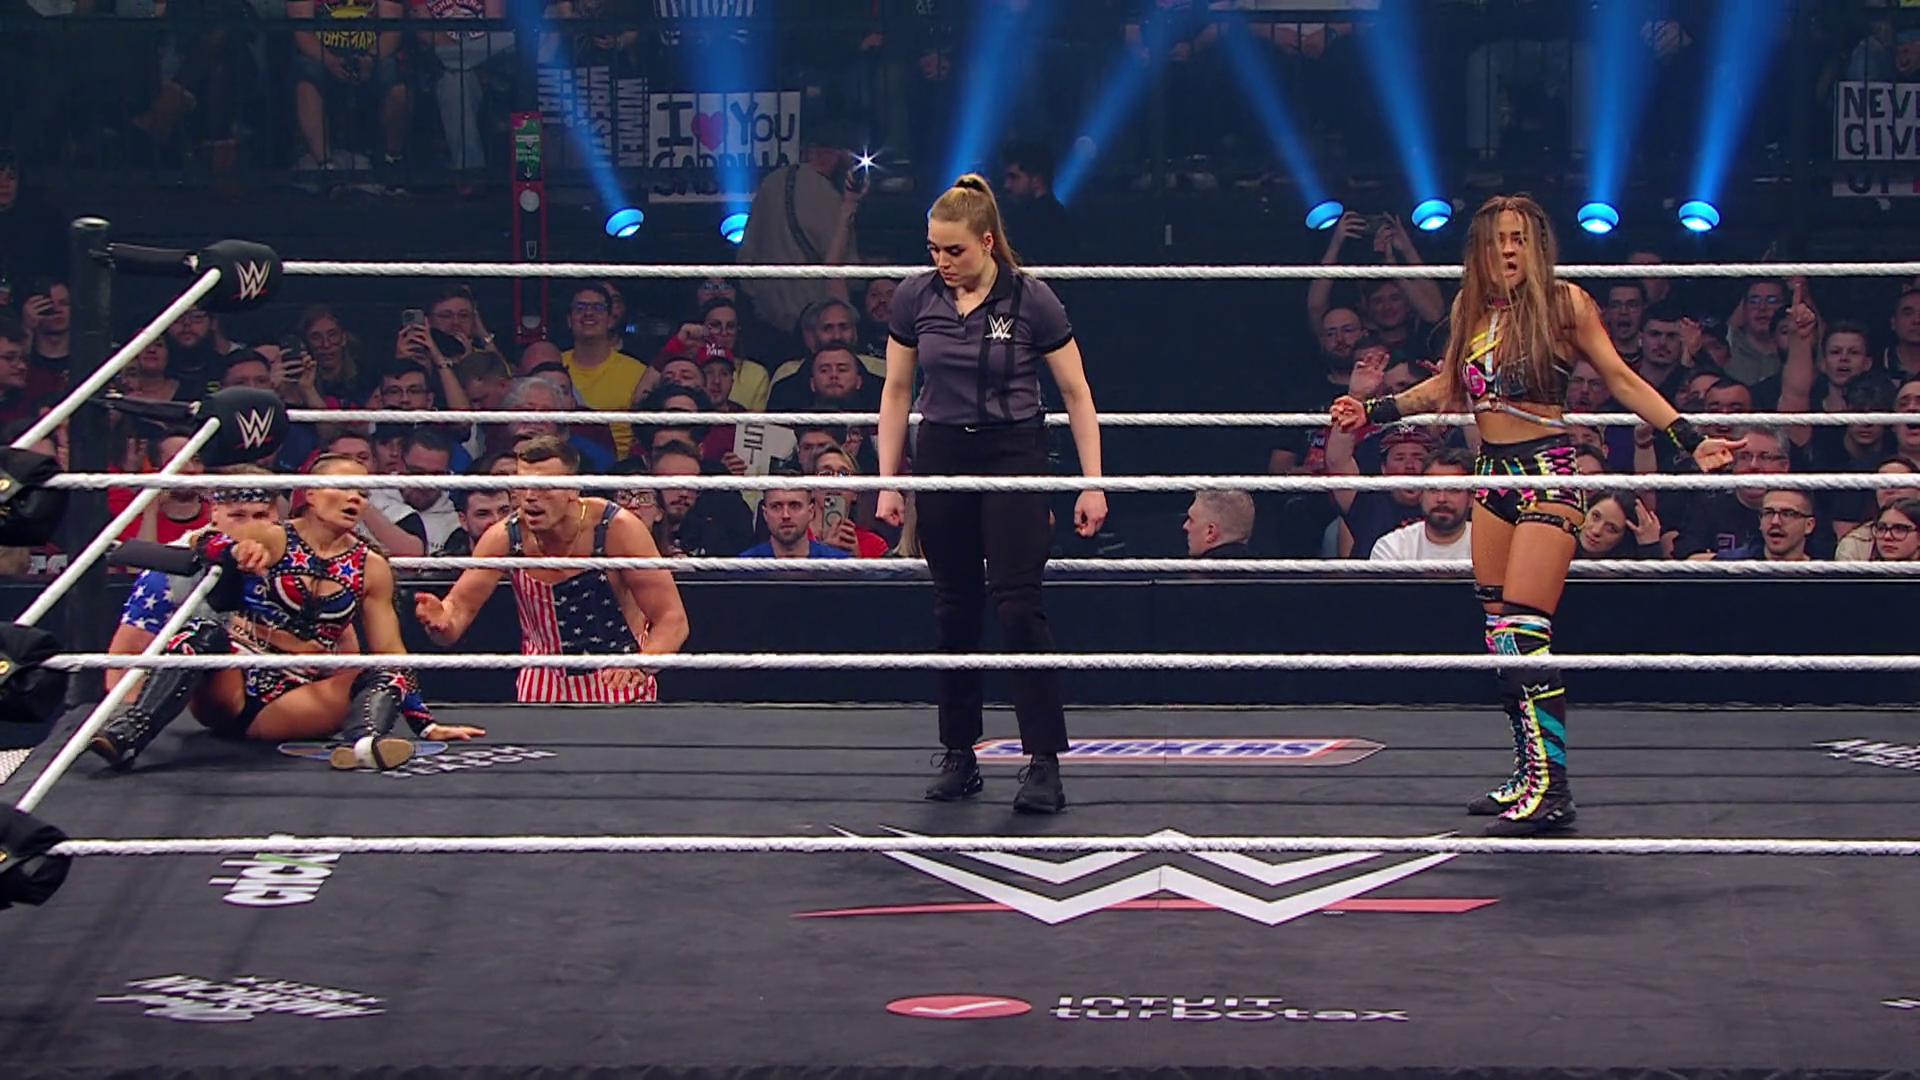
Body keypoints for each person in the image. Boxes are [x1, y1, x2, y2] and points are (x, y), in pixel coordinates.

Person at [1330, 194, 1741, 836]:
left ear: (1537, 245)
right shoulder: (1471, 311)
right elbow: (1447, 386)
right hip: (1491, 474)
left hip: (1546, 471)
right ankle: (1529, 774)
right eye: (1498, 239)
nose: (1509, 250)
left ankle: (1555, 788)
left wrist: (1688, 437)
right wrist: (1373, 412)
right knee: (1500, 634)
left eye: (1519, 238)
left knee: (1525, 629)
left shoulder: (1565, 303)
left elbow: (1621, 378)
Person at [874, 174, 1108, 815]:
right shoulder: (915, 296)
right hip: (942, 452)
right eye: (933, 249)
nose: (942, 262)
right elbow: (896, 391)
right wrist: (890, 481)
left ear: (986, 241)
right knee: (953, 608)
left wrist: (1092, 483)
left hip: (1013, 451)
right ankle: (959, 753)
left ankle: (1044, 761)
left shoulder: (1032, 299)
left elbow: (1077, 393)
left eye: (954, 250)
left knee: (1018, 608)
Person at [90, 456, 487, 772]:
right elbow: (201, 541)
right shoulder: (274, 536)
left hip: (297, 698)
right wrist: (232, 550)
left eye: (362, 492)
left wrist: (424, 723)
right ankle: (129, 732)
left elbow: (390, 651)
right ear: (310, 493)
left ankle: (365, 744)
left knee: (383, 669)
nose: (354, 499)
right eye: (343, 488)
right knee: (203, 631)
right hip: (232, 685)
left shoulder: (371, 566)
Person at [414, 435, 690, 704]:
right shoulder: (505, 537)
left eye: (544, 487)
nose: (531, 497)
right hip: (541, 691)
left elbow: (672, 619)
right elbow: (457, 613)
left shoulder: (616, 528)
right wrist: (440, 621)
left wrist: (641, 665)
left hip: (620, 685)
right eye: (522, 486)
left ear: (573, 490)